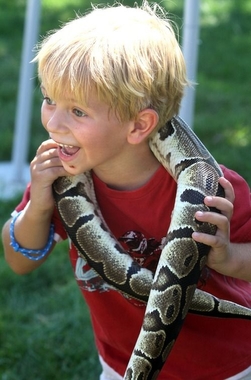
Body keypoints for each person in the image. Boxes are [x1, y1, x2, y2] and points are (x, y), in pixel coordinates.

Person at [2, 2, 251, 379]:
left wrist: (227, 257)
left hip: (223, 368)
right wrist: (37, 205)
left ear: (139, 126)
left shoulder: (217, 191)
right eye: (50, 99)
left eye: (78, 112)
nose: (53, 123)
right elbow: (20, 261)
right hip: (119, 364)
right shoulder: (60, 177)